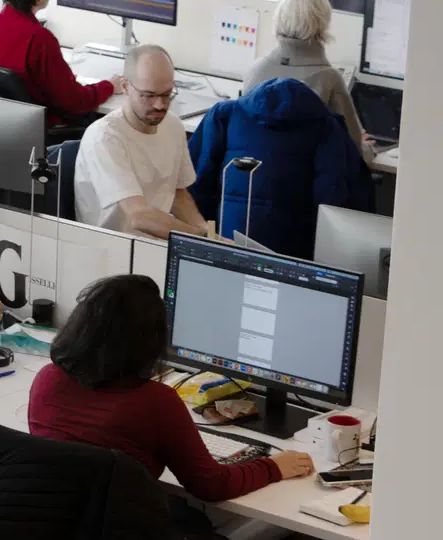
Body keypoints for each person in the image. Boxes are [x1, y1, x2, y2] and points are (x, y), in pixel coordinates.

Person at [27, 275, 314, 503]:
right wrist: (274, 467)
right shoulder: (155, 402)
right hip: (118, 534)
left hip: (54, 529)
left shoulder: (47, 380)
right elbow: (212, 485)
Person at [188, 78, 372, 258]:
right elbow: (333, 200)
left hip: (227, 244)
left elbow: (195, 183)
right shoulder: (327, 127)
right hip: (292, 254)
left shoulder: (224, 115)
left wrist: (207, 238)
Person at [74, 44, 211, 238]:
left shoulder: (173, 125)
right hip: (113, 247)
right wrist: (198, 239)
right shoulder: (104, 137)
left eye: (166, 95)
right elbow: (138, 216)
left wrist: (207, 231)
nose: (159, 105)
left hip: (157, 242)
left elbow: (177, 193)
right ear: (125, 86)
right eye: (149, 96)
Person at [242, 0, 373, 163]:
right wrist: (367, 148)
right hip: (306, 178)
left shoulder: (255, 70)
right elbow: (353, 151)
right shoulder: (329, 79)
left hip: (253, 175)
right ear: (323, 25)